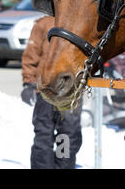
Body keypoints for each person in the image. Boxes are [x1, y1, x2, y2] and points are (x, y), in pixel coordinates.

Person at [21, 15, 82, 169]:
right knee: (43, 133)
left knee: (67, 134)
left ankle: (63, 166)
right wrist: (28, 82)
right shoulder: (44, 24)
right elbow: (31, 55)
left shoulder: (78, 20)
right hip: (46, 91)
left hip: (69, 92)